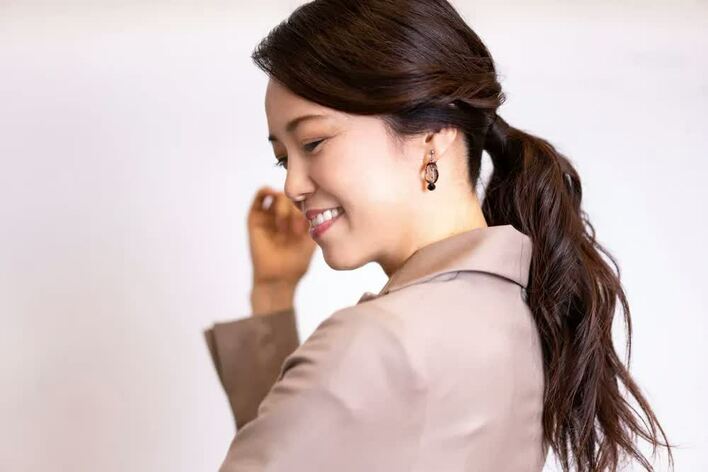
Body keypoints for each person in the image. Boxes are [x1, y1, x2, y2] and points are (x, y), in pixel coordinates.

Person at [203, 0, 675, 470]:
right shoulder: (518, 316)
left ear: (432, 134)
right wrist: (273, 292)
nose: (292, 186)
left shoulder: (377, 342)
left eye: (313, 142)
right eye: (283, 159)